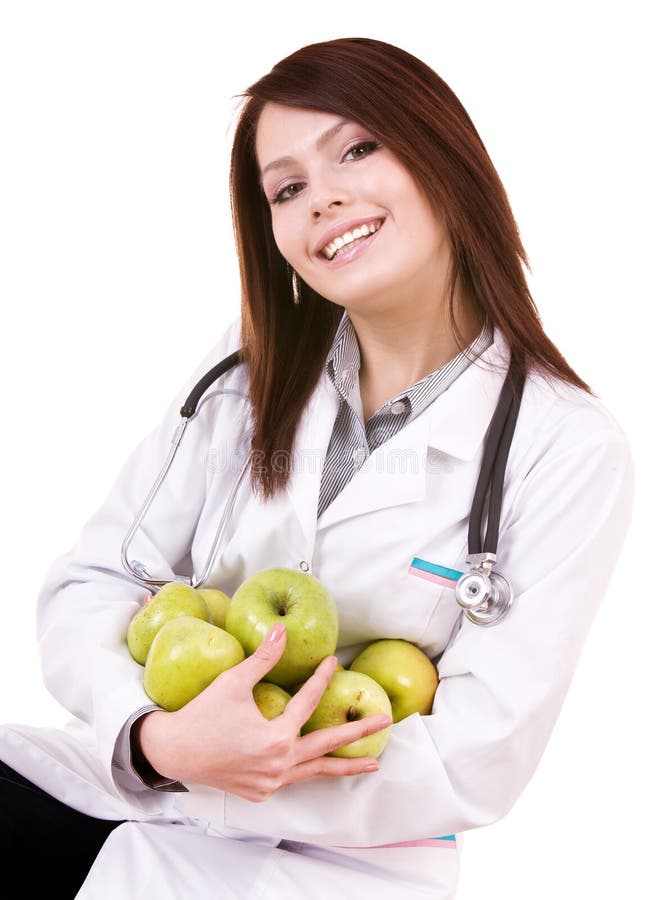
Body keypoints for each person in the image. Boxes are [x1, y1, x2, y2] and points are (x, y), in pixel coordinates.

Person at [0, 36, 634, 900]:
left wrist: (239, 767)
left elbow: (475, 757)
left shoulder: (566, 448)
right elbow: (93, 584)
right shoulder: (246, 370)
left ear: (442, 154)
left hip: (341, 861)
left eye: (358, 149)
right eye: (287, 189)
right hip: (131, 789)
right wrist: (156, 741)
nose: (323, 199)